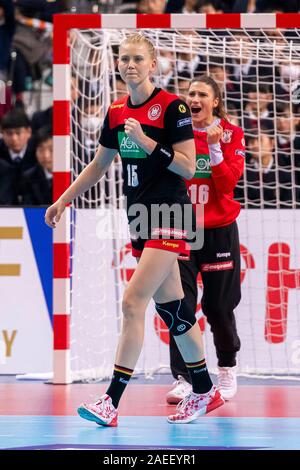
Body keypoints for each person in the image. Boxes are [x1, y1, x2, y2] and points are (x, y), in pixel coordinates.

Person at [45, 34, 224, 426]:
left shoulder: (171, 107)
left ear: (153, 63)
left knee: (131, 303)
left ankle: (111, 401)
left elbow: (188, 167)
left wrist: (146, 142)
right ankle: (205, 389)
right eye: (124, 58)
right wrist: (63, 200)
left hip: (171, 214)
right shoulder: (114, 111)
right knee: (174, 310)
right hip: (140, 218)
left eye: (137, 59)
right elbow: (98, 164)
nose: (129, 65)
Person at [166, 76, 245, 404]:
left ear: (215, 101)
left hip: (218, 231)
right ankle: (184, 377)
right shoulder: (177, 132)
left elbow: (227, 186)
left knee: (218, 306)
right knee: (179, 304)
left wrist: (213, 147)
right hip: (182, 230)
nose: (194, 98)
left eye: (201, 94)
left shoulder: (231, 134)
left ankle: (226, 366)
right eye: (190, 94)